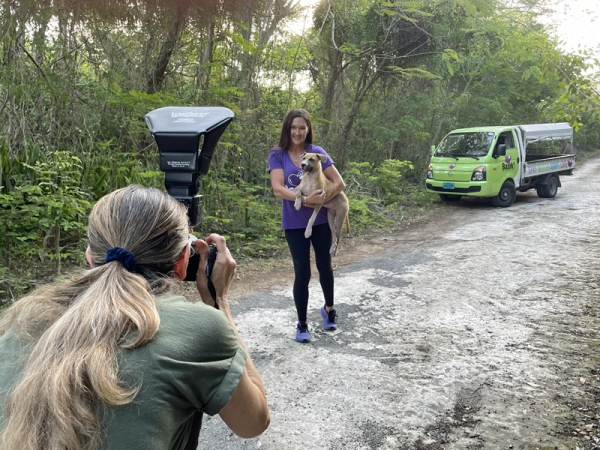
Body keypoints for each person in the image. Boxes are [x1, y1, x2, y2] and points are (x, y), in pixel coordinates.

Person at [0, 185, 270, 450]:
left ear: (90, 258)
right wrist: (218, 301)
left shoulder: (23, 319)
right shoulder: (199, 328)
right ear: (182, 261)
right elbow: (253, 423)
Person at [268, 109, 346, 343]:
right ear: (287, 129)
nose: (297, 132)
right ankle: (302, 324)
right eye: (293, 127)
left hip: (321, 221)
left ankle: (329, 310)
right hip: (294, 224)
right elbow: (278, 189)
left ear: (308, 129)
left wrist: (323, 199)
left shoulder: (317, 153)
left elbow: (339, 183)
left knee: (326, 267)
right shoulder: (277, 155)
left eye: (302, 128)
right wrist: (303, 199)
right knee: (302, 273)